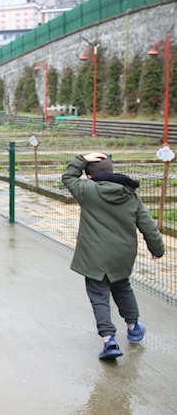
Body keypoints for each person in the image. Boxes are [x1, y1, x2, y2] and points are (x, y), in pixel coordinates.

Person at [62, 152, 165, 361]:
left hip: (94, 256)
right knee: (122, 287)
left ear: (89, 176)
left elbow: (68, 177)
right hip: (122, 255)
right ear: (112, 171)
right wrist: (157, 249)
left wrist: (82, 159)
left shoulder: (87, 190)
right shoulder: (130, 194)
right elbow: (148, 225)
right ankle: (134, 326)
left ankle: (109, 340)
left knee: (99, 296)